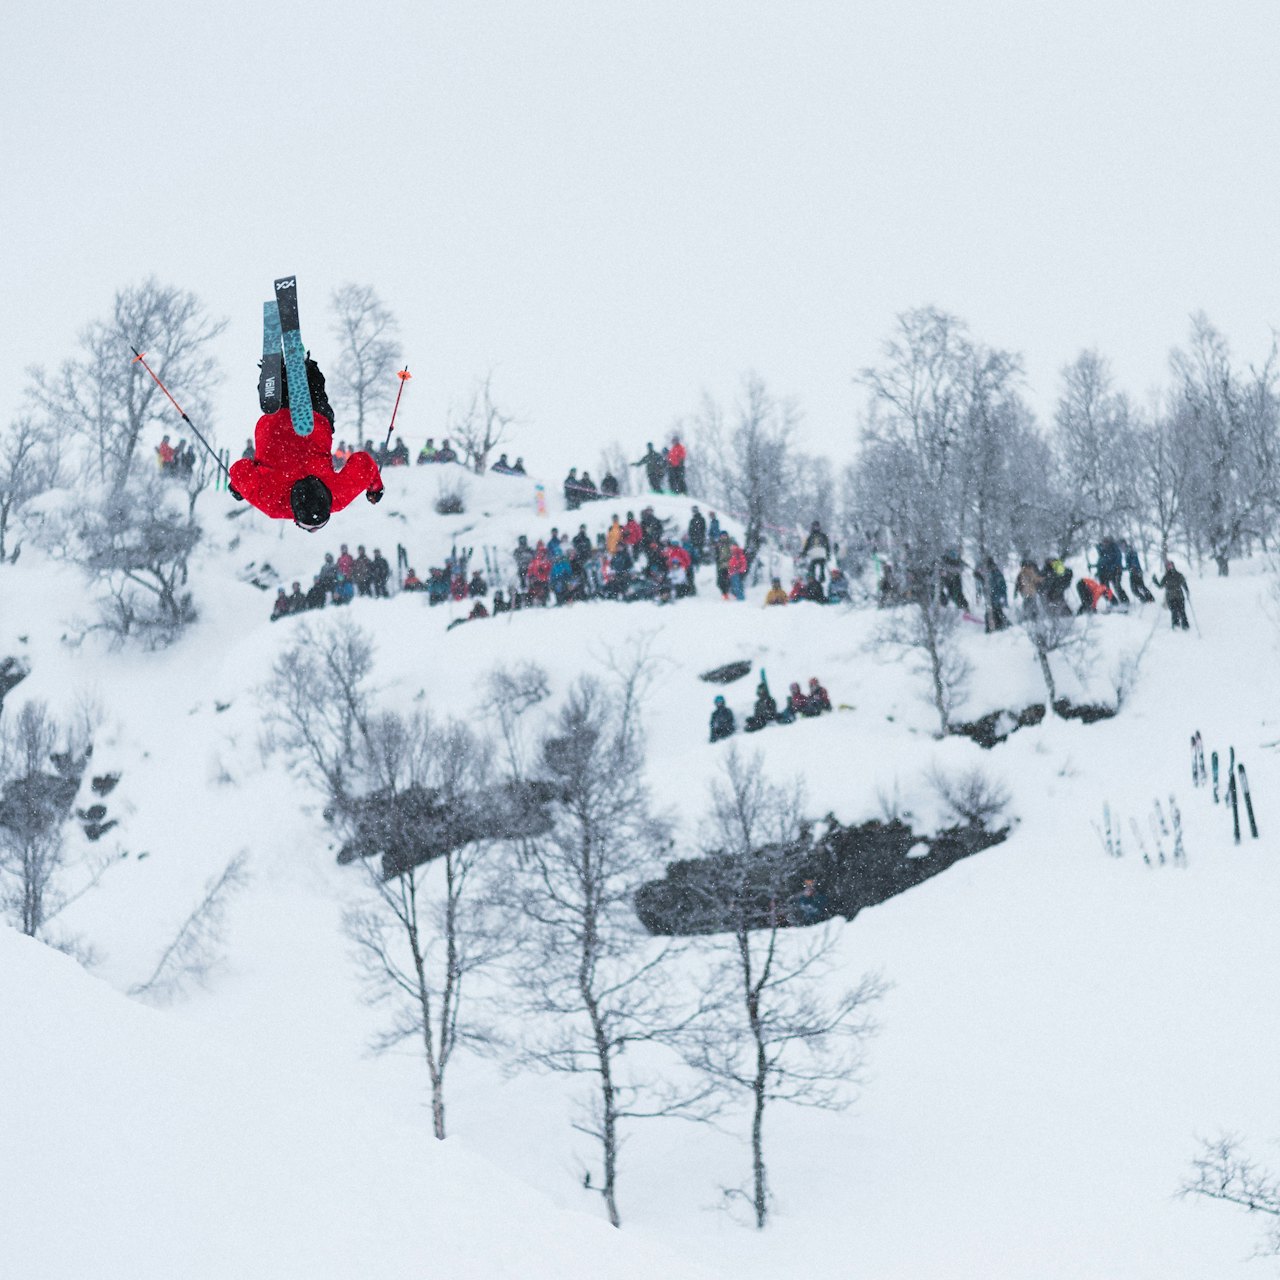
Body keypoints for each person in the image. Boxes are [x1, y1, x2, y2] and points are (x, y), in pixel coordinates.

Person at [229, 358, 382, 530]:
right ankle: (275, 373)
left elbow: (364, 463)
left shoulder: (337, 496)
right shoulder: (272, 504)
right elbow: (241, 469)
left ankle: (307, 369)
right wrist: (238, 487)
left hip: (313, 422)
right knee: (275, 397)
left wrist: (375, 488)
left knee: (315, 391)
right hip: (275, 425)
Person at [1153, 559, 1191, 630]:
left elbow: (1184, 584)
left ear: (1173, 566)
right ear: (1166, 568)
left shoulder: (1179, 575)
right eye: (1168, 566)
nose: (1170, 567)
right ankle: (1176, 625)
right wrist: (1155, 580)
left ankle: (1185, 625)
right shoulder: (1166, 577)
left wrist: (1187, 592)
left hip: (1179, 596)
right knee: (1174, 611)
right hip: (1170, 597)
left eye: (1171, 565)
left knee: (1182, 611)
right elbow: (1160, 586)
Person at [977, 556, 1008, 631]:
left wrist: (1001, 597)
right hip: (994, 597)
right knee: (995, 613)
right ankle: (999, 626)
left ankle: (998, 627)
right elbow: (986, 583)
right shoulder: (992, 572)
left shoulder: (994, 573)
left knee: (995, 613)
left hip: (995, 597)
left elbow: (995, 585)